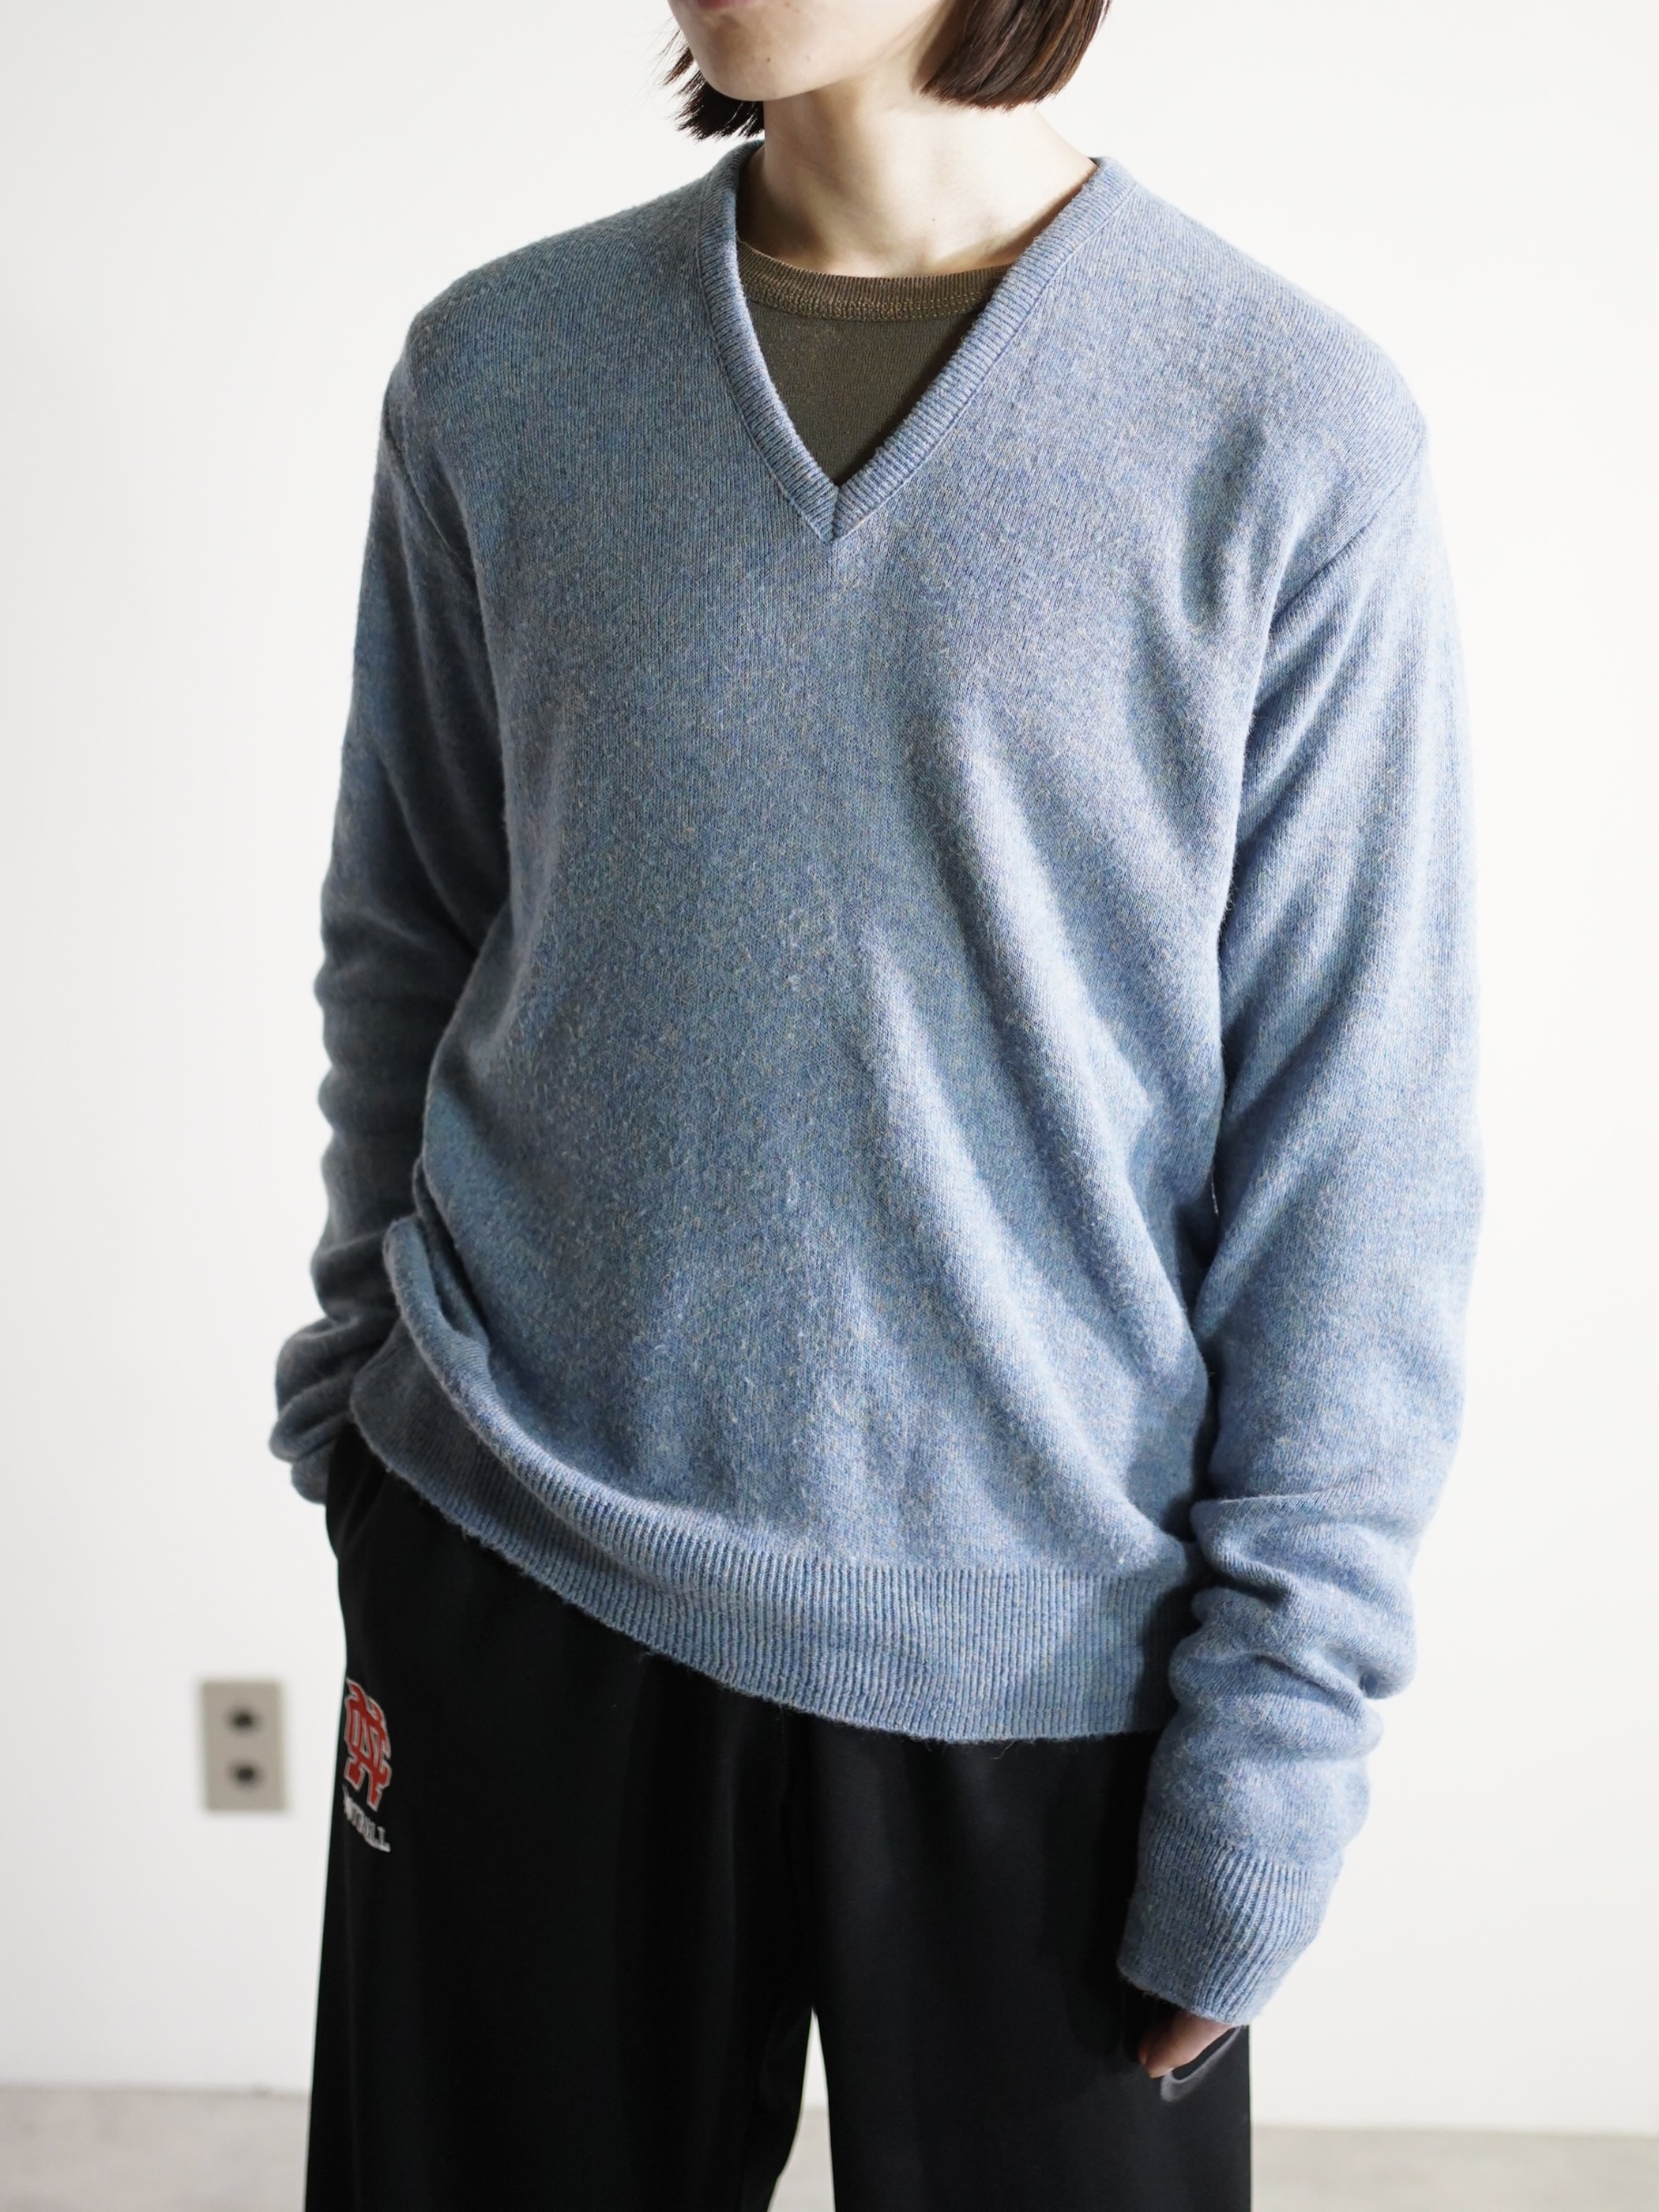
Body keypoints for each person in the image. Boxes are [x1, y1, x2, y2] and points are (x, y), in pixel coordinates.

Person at [273, 0, 1480, 2204]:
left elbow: (1355, 1145)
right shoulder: (500, 370)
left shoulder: (1285, 426)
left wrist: (1282, 1733)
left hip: (1048, 1660)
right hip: (518, 1569)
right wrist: (364, 1402)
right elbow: (411, 928)